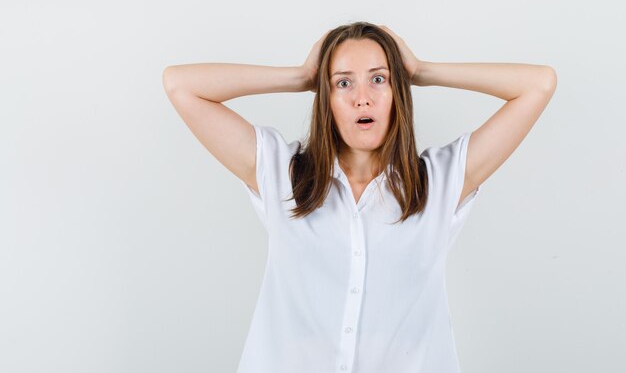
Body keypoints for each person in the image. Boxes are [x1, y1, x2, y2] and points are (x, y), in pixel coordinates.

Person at [162, 21, 557, 373]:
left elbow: (538, 84)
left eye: (379, 79)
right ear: (326, 98)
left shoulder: (439, 182)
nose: (362, 98)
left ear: (397, 92)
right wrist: (301, 75)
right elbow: (181, 84)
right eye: (343, 82)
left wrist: (421, 71)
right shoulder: (283, 174)